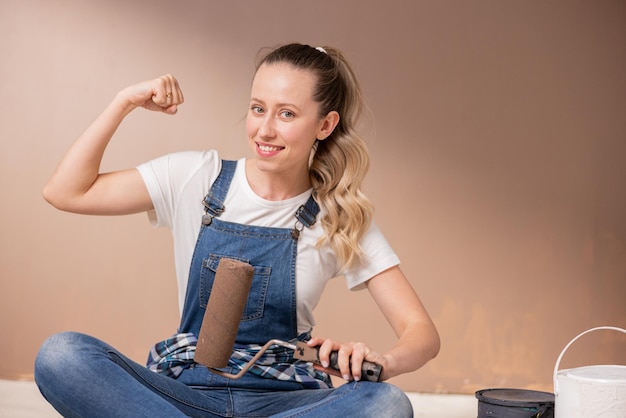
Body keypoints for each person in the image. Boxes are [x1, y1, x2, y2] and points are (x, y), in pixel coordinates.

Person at [34, 43, 440, 417]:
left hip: (285, 401)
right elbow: (66, 191)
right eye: (257, 108)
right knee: (62, 354)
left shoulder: (338, 214)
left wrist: (382, 362)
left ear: (325, 124)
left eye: (287, 114)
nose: (264, 130)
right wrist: (124, 102)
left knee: (385, 403)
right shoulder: (196, 177)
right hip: (184, 393)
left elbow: (421, 333)